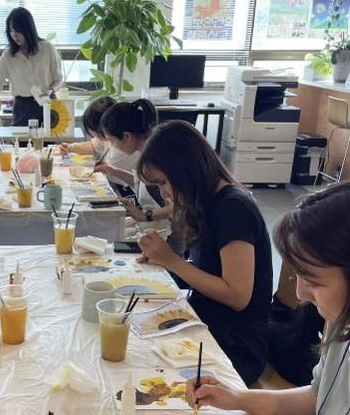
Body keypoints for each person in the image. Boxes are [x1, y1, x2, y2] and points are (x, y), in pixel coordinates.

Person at [185, 183, 350, 414]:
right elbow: (318, 396)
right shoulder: (340, 322)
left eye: (313, 281)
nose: (300, 294)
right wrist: (236, 397)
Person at [136, 120, 273, 385]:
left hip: (236, 342)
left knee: (146, 372)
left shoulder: (233, 208)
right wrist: (166, 262)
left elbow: (238, 296)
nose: (164, 193)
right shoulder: (206, 202)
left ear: (185, 171)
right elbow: (207, 269)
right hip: (207, 320)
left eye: (164, 182)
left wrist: (172, 260)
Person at [91, 99, 173, 226]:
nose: (112, 146)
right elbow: (142, 183)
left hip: (166, 228)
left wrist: (145, 216)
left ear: (126, 136)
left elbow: (179, 207)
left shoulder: (157, 159)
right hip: (151, 223)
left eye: (112, 141)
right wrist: (114, 172)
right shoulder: (146, 154)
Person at [0, 7, 63, 126]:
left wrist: (50, 91)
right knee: (21, 137)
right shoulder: (8, 55)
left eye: (18, 31)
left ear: (28, 29)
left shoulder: (47, 48)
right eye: (11, 31)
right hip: (22, 107)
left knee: (50, 137)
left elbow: (58, 80)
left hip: (47, 102)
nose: (14, 35)